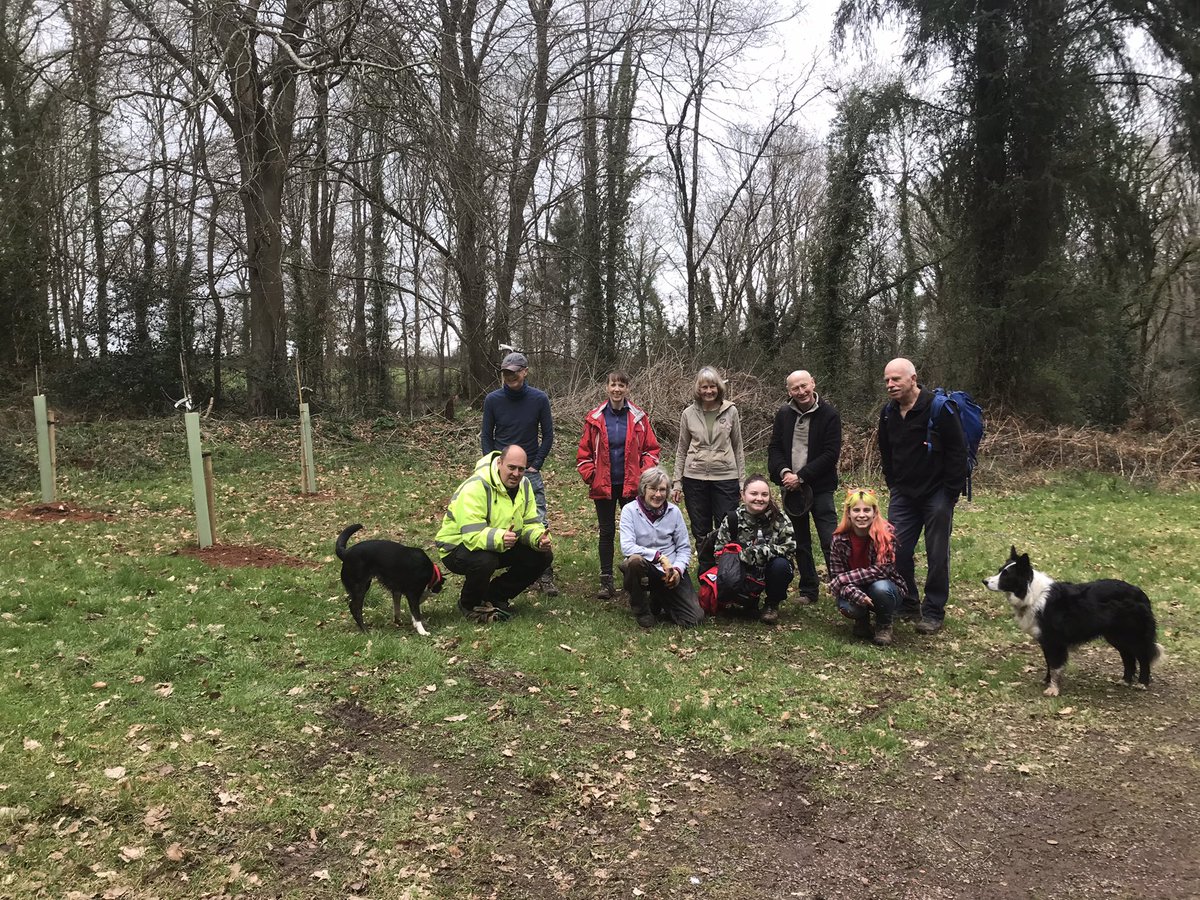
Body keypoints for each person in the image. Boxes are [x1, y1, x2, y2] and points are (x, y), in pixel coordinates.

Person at [878, 358, 968, 635]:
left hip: (937, 494)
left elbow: (958, 451)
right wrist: (893, 483)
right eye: (887, 381)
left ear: (913, 378)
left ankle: (933, 611)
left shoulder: (940, 409)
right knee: (896, 549)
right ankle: (907, 601)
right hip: (904, 494)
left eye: (896, 379)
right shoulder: (888, 413)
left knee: (937, 554)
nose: (891, 385)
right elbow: (886, 451)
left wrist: (950, 492)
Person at [435, 445, 552, 621]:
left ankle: (494, 596)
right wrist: (500, 537)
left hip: (500, 543)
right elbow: (472, 536)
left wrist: (538, 539)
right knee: (485, 560)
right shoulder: (475, 487)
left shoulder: (525, 485)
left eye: (521, 469)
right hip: (456, 547)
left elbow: (530, 523)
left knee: (542, 556)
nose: (516, 474)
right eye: (511, 467)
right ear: (499, 463)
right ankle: (469, 604)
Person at [576, 370, 661, 600]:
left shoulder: (638, 417)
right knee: (606, 531)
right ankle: (606, 580)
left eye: (621, 385)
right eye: (613, 384)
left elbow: (651, 450)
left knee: (636, 531)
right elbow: (583, 454)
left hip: (631, 486)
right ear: (607, 387)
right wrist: (591, 475)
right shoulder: (594, 418)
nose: (617, 389)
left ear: (627, 389)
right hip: (603, 485)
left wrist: (643, 477)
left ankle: (637, 575)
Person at [481, 351, 558, 595]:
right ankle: (489, 569)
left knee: (537, 521)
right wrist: (491, 464)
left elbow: (548, 434)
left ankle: (544, 574)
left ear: (524, 372)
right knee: (493, 520)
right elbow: (486, 436)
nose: (510, 377)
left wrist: (536, 463)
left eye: (514, 372)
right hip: (499, 472)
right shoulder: (493, 400)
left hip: (529, 472)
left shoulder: (539, 399)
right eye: (505, 373)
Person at [767, 369, 842, 605]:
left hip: (820, 488)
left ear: (813, 383)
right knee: (799, 541)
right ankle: (809, 590)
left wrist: (802, 476)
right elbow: (775, 448)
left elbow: (831, 454)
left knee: (830, 539)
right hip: (791, 489)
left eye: (804, 386)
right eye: (795, 388)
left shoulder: (830, 415)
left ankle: (842, 588)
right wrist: (785, 473)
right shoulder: (783, 414)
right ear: (788, 391)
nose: (801, 392)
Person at [620, 467, 704, 629]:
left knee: (695, 619)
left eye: (662, 490)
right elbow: (627, 547)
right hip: (644, 566)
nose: (658, 495)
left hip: (670, 570)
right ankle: (641, 609)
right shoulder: (629, 510)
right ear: (643, 489)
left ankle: (659, 597)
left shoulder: (674, 512)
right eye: (653, 489)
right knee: (634, 562)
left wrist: (678, 570)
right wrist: (658, 556)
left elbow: (684, 548)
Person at [671, 366, 745, 549]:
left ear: (718, 387)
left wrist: (742, 483)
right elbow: (682, 448)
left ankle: (725, 571)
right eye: (704, 387)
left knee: (726, 526)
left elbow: (738, 447)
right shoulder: (688, 413)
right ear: (698, 389)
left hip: (726, 477)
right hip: (694, 478)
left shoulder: (731, 411)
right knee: (701, 530)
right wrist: (677, 482)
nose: (709, 391)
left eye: (712, 386)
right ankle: (706, 571)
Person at [710, 474, 796, 624]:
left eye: (764, 494)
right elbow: (719, 552)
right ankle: (743, 600)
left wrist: (760, 552)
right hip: (743, 570)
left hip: (770, 569)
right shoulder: (732, 519)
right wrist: (738, 560)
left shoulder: (780, 518)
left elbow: (790, 548)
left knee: (781, 566)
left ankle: (771, 604)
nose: (759, 498)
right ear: (743, 495)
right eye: (754, 494)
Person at [828, 487, 904, 646]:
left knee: (880, 588)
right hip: (855, 588)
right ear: (848, 513)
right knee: (850, 606)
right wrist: (856, 594)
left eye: (866, 510)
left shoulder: (886, 534)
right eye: (856, 510)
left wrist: (842, 579)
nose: (861, 515)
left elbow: (882, 570)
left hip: (885, 587)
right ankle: (861, 620)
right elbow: (836, 574)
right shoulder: (838, 539)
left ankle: (884, 624)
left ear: (875, 512)